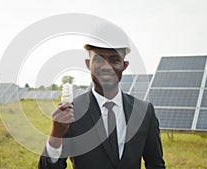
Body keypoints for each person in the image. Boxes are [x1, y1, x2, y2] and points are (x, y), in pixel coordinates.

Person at [38, 24, 165, 169]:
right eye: (98, 59)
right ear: (88, 64)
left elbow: (156, 164)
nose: (106, 66)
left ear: (124, 65)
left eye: (114, 59)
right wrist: (56, 135)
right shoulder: (72, 113)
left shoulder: (144, 112)